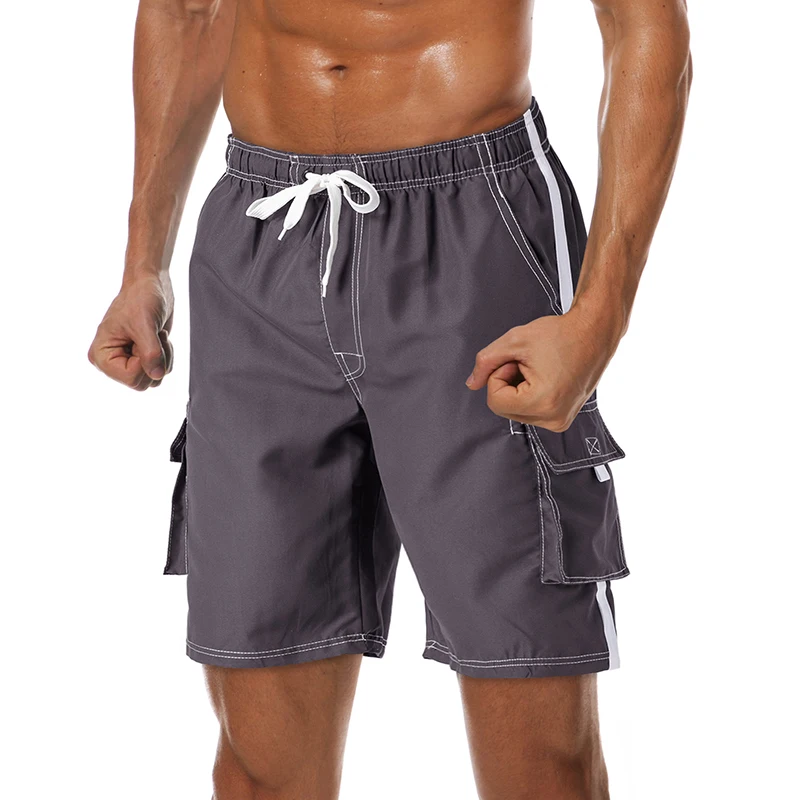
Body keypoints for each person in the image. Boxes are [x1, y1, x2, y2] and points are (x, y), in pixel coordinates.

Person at [88, 0, 691, 797]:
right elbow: (187, 7)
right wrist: (144, 264)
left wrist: (599, 315)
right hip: (261, 240)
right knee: (259, 765)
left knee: (540, 760)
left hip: (472, 225)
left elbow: (642, 21)